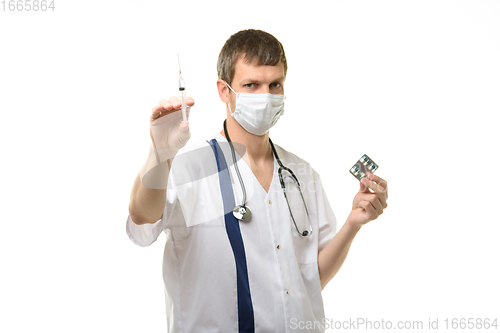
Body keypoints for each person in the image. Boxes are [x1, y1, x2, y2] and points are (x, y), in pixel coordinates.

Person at [126, 29, 388, 333]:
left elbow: (311, 280)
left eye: (275, 84)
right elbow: (142, 219)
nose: (266, 97)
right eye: (251, 85)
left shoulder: (300, 173)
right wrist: (160, 154)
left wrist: (354, 222)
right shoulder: (190, 167)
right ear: (224, 91)